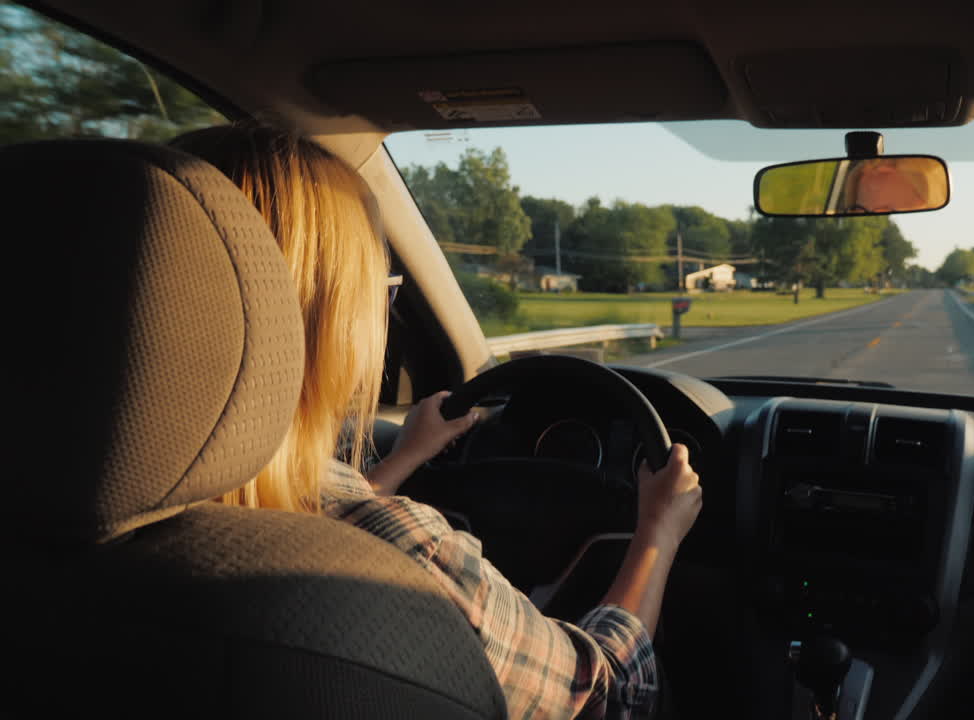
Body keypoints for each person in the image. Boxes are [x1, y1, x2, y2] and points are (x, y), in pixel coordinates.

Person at [171, 124, 701, 720]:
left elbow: (293, 511)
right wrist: (658, 532)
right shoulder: (403, 561)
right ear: (330, 316)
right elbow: (602, 696)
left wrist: (400, 462)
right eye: (381, 290)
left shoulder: (94, 518)